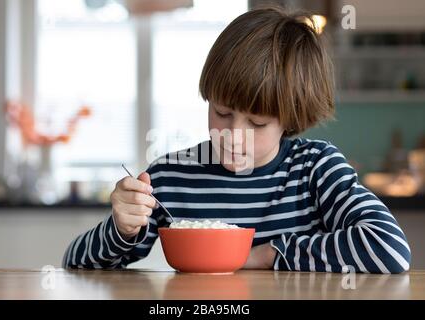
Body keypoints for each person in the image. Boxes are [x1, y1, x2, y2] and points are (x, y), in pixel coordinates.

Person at [63, 7, 410, 273]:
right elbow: (74, 265)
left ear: (289, 119)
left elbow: (390, 248)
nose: (232, 135)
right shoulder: (171, 177)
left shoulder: (316, 169)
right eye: (222, 112)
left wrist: (266, 254)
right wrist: (120, 229)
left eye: (257, 123)